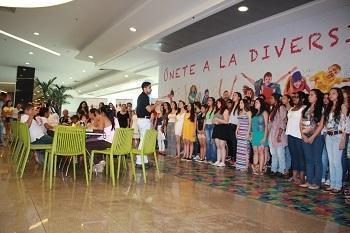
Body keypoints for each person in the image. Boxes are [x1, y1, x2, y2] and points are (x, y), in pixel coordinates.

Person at [300, 89, 325, 190]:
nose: (309, 96)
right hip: (305, 137)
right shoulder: (305, 108)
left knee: (317, 160)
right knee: (308, 160)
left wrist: (313, 136)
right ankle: (309, 180)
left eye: (311, 95)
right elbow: (300, 123)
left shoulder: (322, 109)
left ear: (317, 97)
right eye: (309, 95)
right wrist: (303, 135)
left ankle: (317, 182)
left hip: (317, 137)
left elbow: (321, 125)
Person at [324, 87, 346, 193]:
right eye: (330, 93)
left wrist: (343, 139)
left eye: (333, 93)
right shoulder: (329, 106)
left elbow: (345, 124)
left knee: (337, 162)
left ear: (339, 95)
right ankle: (332, 184)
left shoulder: (342, 106)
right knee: (331, 161)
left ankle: (338, 185)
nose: (330, 95)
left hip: (338, 136)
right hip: (329, 136)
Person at [86, 105, 120, 172]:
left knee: (86, 144)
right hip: (115, 142)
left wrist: (95, 119)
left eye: (100, 112)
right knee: (95, 142)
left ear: (103, 113)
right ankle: (100, 162)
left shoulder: (103, 117)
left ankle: (98, 163)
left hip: (108, 142)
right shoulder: (115, 118)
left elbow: (99, 130)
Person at [135, 82, 161, 166]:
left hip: (143, 120)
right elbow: (149, 109)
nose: (151, 89)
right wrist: (156, 104)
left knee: (144, 140)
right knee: (143, 141)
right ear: (144, 88)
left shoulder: (143, 96)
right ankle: (139, 161)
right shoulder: (143, 97)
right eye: (149, 87)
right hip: (143, 120)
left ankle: (144, 160)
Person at [286, 92, 306, 184]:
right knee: (293, 156)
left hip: (298, 135)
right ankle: (294, 176)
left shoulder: (304, 108)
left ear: (302, 98)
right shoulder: (292, 108)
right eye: (293, 97)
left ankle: (301, 177)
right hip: (290, 134)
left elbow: (304, 122)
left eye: (297, 97)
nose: (294, 98)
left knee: (300, 156)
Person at [268, 93, 287, 177]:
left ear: (276, 99)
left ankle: (281, 170)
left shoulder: (281, 108)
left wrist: (279, 135)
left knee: (280, 153)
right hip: (272, 134)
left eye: (272, 98)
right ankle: (273, 169)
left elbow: (283, 122)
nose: (270, 100)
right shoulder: (273, 108)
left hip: (279, 133)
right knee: (273, 153)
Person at [250, 98, 268, 175]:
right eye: (255, 102)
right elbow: (252, 125)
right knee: (255, 151)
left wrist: (264, 137)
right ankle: (255, 168)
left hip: (261, 134)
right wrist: (251, 134)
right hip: (254, 134)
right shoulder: (254, 113)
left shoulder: (264, 113)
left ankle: (260, 170)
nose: (255, 103)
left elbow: (267, 126)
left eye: (257, 102)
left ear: (261, 103)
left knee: (261, 152)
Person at [212, 98, 230, 167]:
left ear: (222, 103)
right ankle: (218, 160)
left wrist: (218, 120)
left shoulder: (225, 110)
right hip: (217, 128)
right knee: (218, 146)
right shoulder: (217, 110)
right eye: (217, 103)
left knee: (222, 145)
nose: (217, 104)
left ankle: (223, 161)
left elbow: (226, 121)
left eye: (219, 103)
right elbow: (213, 120)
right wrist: (214, 121)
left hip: (223, 128)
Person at [235, 99, 252, 171]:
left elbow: (250, 124)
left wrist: (248, 133)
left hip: (245, 132)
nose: (240, 104)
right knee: (240, 149)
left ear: (245, 104)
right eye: (239, 103)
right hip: (240, 133)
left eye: (241, 103)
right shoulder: (240, 112)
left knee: (245, 150)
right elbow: (238, 123)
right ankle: (239, 165)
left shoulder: (249, 112)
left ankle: (245, 166)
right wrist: (236, 131)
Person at [227, 92, 242, 166]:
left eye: (235, 95)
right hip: (230, 125)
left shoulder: (240, 106)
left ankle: (236, 160)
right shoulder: (232, 106)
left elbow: (239, 118)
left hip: (235, 126)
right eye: (233, 95)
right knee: (231, 143)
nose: (233, 96)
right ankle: (233, 159)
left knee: (235, 143)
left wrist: (238, 128)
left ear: (239, 97)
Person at [205, 97, 216, 163]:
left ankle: (213, 158)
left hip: (212, 126)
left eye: (210, 100)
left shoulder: (215, 109)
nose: (208, 101)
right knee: (208, 142)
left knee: (212, 142)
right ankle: (208, 158)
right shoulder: (207, 109)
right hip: (207, 125)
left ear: (213, 101)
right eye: (208, 100)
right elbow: (205, 119)